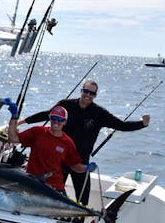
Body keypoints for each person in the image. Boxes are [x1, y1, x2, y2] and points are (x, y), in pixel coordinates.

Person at [20, 80, 150, 205]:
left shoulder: (99, 113)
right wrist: (22, 122)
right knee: (53, 195)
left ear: (95, 96)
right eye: (86, 91)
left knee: (83, 199)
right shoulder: (66, 105)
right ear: (81, 91)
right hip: (59, 160)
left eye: (91, 93)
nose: (88, 95)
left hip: (81, 162)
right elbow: (47, 114)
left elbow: (120, 125)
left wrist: (142, 124)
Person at [8, 105, 97, 196]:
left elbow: (75, 166)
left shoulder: (67, 142)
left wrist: (86, 168)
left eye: (60, 119)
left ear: (65, 122)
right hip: (33, 183)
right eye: (54, 118)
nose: (56, 121)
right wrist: (14, 117)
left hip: (55, 188)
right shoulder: (37, 132)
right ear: (50, 118)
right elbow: (13, 138)